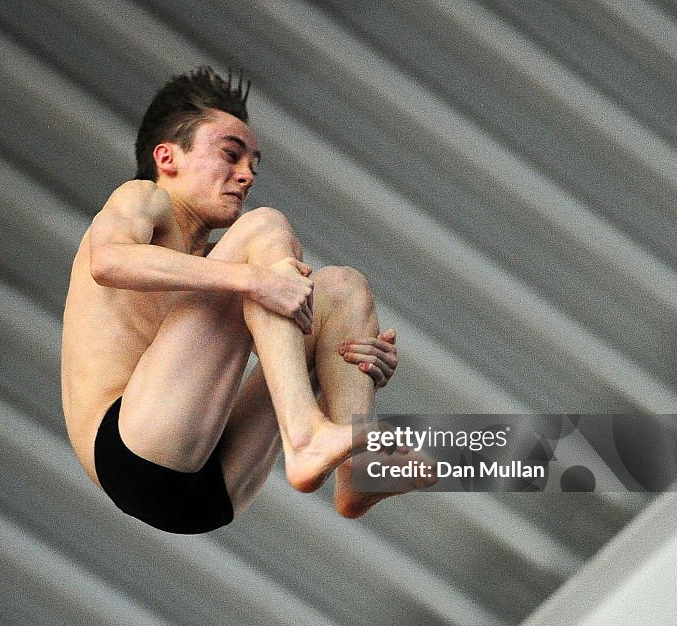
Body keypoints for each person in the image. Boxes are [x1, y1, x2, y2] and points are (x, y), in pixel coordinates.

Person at [62, 67, 418, 534]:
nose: (246, 175)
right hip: (131, 453)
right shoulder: (141, 199)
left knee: (342, 287)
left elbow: (277, 353)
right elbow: (107, 261)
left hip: (213, 489)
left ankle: (359, 470)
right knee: (264, 227)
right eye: (231, 155)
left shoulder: (217, 268)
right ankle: (306, 437)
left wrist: (352, 363)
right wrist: (249, 278)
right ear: (167, 157)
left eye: (253, 164)